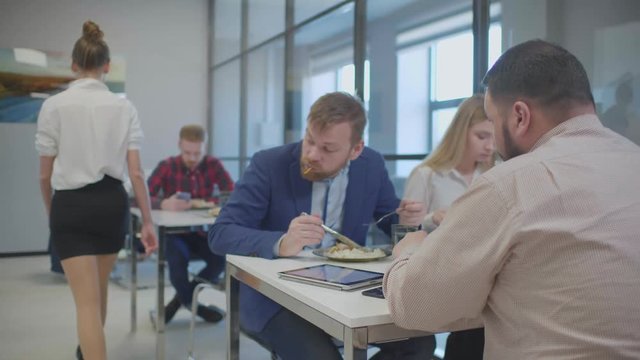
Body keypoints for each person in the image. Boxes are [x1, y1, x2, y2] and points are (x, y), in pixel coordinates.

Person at [384, 39, 640, 359]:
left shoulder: (509, 185)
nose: (491, 142)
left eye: (492, 121)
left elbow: (415, 306)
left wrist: (408, 251)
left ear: (519, 116)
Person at [209, 91, 434, 360]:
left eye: (327, 148)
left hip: (347, 291)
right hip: (275, 299)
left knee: (420, 344)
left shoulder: (370, 164)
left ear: (356, 149)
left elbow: (391, 222)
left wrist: (406, 222)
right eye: (310, 140)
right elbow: (221, 233)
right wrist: (281, 242)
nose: (313, 154)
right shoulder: (269, 164)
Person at [36, 21, 157, 360]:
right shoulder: (124, 107)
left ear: (74, 65)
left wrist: (52, 212)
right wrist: (147, 222)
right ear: (106, 66)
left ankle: (88, 351)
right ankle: (86, 351)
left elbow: (44, 177)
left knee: (85, 304)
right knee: (98, 293)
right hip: (111, 205)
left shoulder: (53, 106)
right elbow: (135, 173)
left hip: (70, 205)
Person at [403, 94, 494, 359]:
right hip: (437, 271)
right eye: (481, 136)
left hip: (481, 271)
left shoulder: (492, 175)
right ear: (460, 132)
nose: (490, 146)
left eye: (494, 137)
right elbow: (405, 233)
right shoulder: (426, 174)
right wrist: (433, 218)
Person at [147, 124, 234, 324]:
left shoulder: (213, 165)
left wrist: (217, 202)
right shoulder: (167, 166)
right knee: (178, 260)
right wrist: (163, 203)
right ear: (179, 145)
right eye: (188, 152)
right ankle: (198, 309)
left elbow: (232, 194)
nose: (193, 158)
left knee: (219, 260)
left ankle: (177, 303)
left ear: (205, 147)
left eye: (197, 153)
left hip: (203, 233)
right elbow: (139, 198)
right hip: (174, 235)